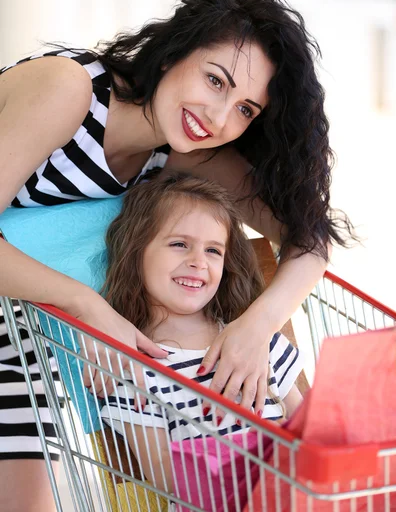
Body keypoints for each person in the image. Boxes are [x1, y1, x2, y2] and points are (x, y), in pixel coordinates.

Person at [0, 0, 353, 511]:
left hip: (26, 325)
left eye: (245, 109)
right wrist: (86, 304)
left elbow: (311, 240)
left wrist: (256, 327)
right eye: (215, 80)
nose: (217, 117)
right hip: (39, 317)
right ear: (171, 53)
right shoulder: (67, 89)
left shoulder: (180, 153)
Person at [100, 173, 304, 494]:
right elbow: (164, 475)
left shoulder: (260, 342)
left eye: (213, 251)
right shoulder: (131, 371)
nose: (198, 262)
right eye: (180, 244)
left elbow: (314, 434)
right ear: (136, 250)